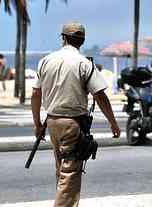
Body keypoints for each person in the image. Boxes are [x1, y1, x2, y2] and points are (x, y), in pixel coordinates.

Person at [31, 22, 121, 207]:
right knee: (70, 173)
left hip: (53, 122)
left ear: (63, 38)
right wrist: (113, 122)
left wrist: (37, 124)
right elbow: (100, 95)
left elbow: (35, 94)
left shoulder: (46, 61)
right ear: (82, 41)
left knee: (61, 171)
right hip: (72, 124)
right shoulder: (84, 63)